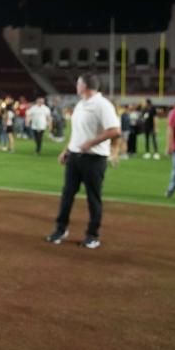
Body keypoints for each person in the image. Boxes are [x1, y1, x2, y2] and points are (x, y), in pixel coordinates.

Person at [45, 74, 120, 249]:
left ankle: (92, 235)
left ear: (85, 86)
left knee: (93, 198)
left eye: (78, 83)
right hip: (75, 156)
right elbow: (77, 132)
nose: (76, 86)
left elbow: (115, 130)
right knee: (67, 194)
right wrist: (67, 150)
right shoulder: (80, 104)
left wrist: (91, 143)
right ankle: (60, 229)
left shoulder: (103, 105)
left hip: (94, 158)